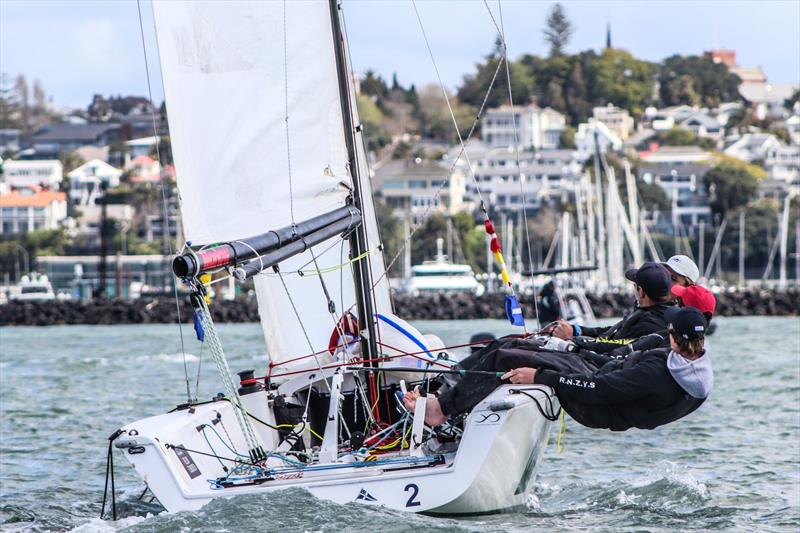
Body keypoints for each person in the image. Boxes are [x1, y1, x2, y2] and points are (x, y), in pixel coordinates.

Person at [404, 306, 712, 431]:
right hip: (599, 375)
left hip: (593, 402)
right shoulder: (691, 363)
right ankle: (439, 396)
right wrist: (574, 345)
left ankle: (439, 411)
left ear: (674, 336)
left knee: (509, 358)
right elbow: (618, 361)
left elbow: (599, 391)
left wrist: (540, 376)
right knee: (515, 344)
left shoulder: (656, 375)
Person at [550, 262, 675, 353]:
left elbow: (618, 344)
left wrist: (573, 340)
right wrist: (576, 330)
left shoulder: (651, 322)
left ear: (641, 291)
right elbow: (612, 332)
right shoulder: (657, 312)